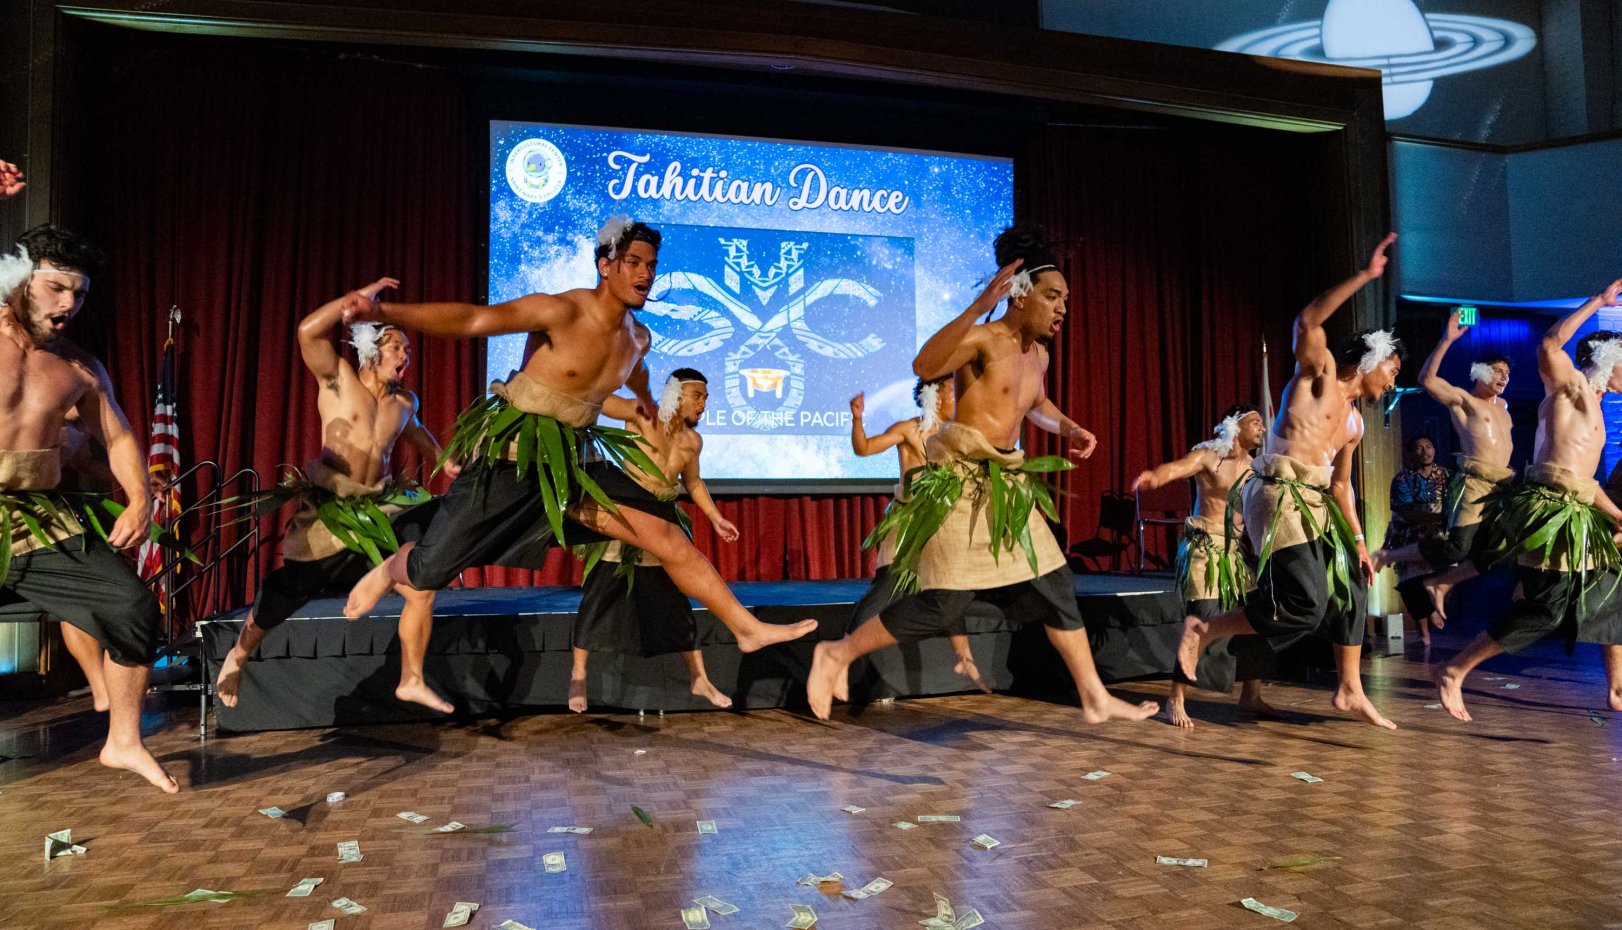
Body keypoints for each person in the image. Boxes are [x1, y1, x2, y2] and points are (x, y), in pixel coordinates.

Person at [340, 217, 817, 657]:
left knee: (664, 533)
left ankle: (744, 628)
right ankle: (389, 568)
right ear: (605, 265)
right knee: (429, 569)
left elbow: (634, 373)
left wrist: (646, 400)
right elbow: (471, 319)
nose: (645, 274)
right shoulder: (562, 311)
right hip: (516, 456)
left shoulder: (639, 337)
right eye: (633, 263)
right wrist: (378, 309)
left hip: (573, 464)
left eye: (651, 265)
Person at [805, 225, 1158, 724]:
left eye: (1065, 299)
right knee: (943, 604)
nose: (1062, 308)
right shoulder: (985, 340)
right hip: (962, 484)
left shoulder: (1039, 353)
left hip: (1006, 486)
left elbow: (1034, 402)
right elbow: (925, 363)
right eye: (1052, 296)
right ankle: (837, 653)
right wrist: (977, 305)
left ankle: (1095, 697)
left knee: (1056, 586)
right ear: (1019, 293)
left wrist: (1070, 426)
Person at [1175, 233, 1402, 730]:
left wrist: (1360, 543)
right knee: (1304, 602)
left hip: (1318, 504)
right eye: (1391, 368)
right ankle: (1206, 628)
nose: (1392, 381)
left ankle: (1349, 687)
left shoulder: (1356, 424)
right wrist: (1364, 277)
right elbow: (1308, 320)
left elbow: (1342, 487)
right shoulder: (1317, 376)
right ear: (1368, 359)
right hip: (1277, 495)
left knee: (1353, 591)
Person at [213, 278, 458, 713]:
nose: (406, 356)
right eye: (397, 347)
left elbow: (415, 434)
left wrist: (445, 461)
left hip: (375, 510)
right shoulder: (338, 381)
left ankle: (411, 678)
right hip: (330, 515)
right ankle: (240, 653)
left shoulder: (405, 401)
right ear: (372, 349)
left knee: (420, 581)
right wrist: (353, 301)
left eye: (408, 350)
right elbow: (308, 331)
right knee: (285, 594)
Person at [0, 225, 175, 791]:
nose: (69, 304)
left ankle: (123, 740)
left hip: (36, 517)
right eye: (56, 288)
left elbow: (119, 437)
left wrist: (141, 497)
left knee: (132, 609)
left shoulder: (78, 368)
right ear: (22, 279)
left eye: (79, 293)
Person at [1433, 280, 1622, 721]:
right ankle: (1455, 669)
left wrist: (1616, 515)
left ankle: (1616, 687)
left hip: (1574, 510)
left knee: (1611, 589)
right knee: (1545, 610)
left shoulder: (1596, 411)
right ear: (1608, 362)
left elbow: (1586, 483)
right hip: (1549, 511)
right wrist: (1598, 301)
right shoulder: (1570, 387)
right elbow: (1551, 342)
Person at [569, 368, 738, 713]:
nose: (703, 403)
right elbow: (600, 400)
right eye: (697, 396)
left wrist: (716, 518)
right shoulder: (642, 416)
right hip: (628, 517)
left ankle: (699, 678)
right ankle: (578, 675)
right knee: (599, 597)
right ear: (675, 394)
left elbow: (692, 484)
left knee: (678, 601)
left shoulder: (692, 441)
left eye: (706, 397)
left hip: (663, 522)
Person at [1130, 405, 1273, 727]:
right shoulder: (1211, 456)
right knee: (1199, 621)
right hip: (1204, 551)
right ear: (1234, 426)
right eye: (1255, 422)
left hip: (1235, 554)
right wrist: (1157, 476)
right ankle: (1175, 697)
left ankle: (1251, 694)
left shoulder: (1255, 469)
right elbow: (1179, 467)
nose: (1262, 428)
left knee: (1253, 620)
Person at [1373, 311, 1515, 625]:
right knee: (1455, 549)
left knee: (1499, 552)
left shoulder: (1504, 407)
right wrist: (1447, 340)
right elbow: (1426, 380)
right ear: (1479, 373)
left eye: (1507, 372)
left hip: (1500, 488)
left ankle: (1443, 582)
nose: (1504, 377)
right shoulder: (1463, 400)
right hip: (1474, 483)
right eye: (1497, 371)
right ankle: (1389, 556)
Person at [849, 377, 989, 692]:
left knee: (949, 585)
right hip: (906, 522)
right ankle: (845, 658)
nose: (961, 395)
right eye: (954, 390)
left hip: (940, 524)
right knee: (886, 590)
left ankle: (962, 656)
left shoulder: (957, 436)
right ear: (933, 396)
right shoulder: (910, 430)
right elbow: (864, 448)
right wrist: (857, 419)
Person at [1378, 435, 1452, 645]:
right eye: (1419, 448)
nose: (1425, 452)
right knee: (1411, 585)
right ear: (1411, 453)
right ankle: (1424, 634)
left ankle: (1434, 605)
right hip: (1409, 534)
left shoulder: (1446, 475)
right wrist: (1435, 518)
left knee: (1447, 573)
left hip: (1440, 534)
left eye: (1429, 446)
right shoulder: (1403, 479)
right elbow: (1406, 511)